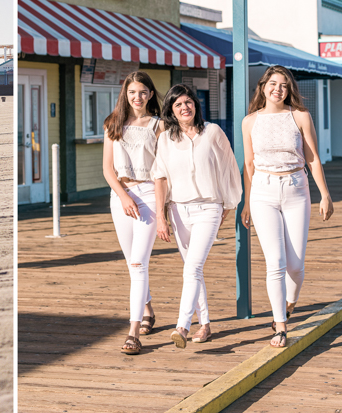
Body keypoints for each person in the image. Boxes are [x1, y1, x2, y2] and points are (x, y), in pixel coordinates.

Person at [240, 65, 334, 348]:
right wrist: (246, 201)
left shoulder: (300, 116)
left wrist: (325, 194)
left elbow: (313, 158)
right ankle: (279, 325)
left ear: (289, 89)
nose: (277, 89)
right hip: (263, 192)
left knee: (295, 264)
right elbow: (248, 164)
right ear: (263, 86)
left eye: (283, 84)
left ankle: (291, 302)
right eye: (272, 83)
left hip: (296, 189)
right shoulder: (250, 121)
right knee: (275, 263)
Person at [152, 84, 241, 348]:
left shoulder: (212, 132)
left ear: (196, 105)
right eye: (178, 105)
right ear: (171, 110)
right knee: (194, 270)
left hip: (209, 208)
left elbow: (229, 167)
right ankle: (205, 325)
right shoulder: (166, 139)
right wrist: (161, 216)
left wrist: (229, 203)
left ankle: (182, 325)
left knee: (193, 267)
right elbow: (159, 177)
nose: (185, 108)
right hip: (179, 210)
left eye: (188, 102)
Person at [101, 71, 165, 355]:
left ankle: (133, 332)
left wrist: (164, 209)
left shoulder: (159, 126)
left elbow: (164, 170)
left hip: (149, 195)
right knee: (132, 263)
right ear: (125, 95)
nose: (137, 97)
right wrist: (123, 196)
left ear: (150, 94)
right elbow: (107, 169)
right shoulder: (113, 124)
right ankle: (149, 310)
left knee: (139, 262)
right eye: (132, 93)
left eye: (142, 92)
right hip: (120, 197)